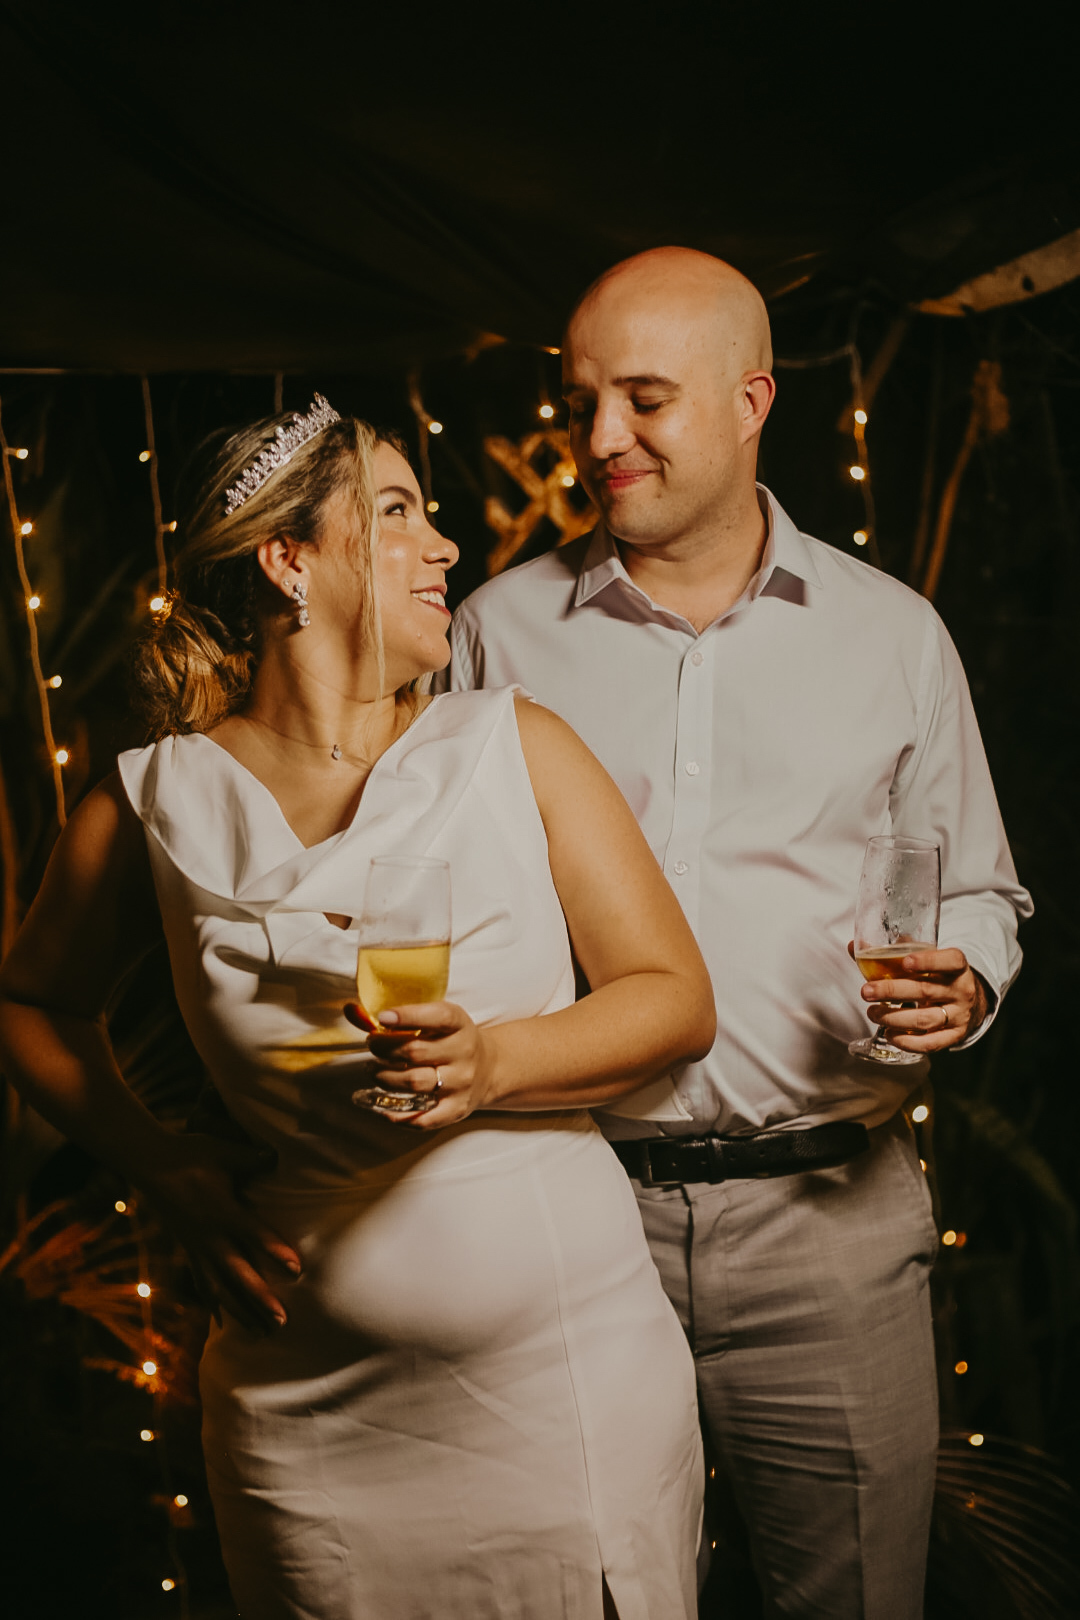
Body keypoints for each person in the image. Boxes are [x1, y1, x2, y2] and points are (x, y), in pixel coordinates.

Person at [0, 398, 717, 1620]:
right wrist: (165, 1169)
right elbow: (29, 1004)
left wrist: (494, 1064)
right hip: (308, 1422)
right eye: (395, 512)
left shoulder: (517, 745)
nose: (444, 545)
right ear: (289, 560)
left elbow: (676, 1001)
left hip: (566, 1392)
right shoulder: (153, 802)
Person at [447, 248, 1033, 1619]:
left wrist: (968, 981)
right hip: (571, 1217)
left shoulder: (894, 636)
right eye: (583, 401)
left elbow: (979, 892)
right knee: (580, 1598)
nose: (601, 438)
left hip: (831, 1227)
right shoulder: (495, 634)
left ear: (752, 400)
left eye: (644, 400)